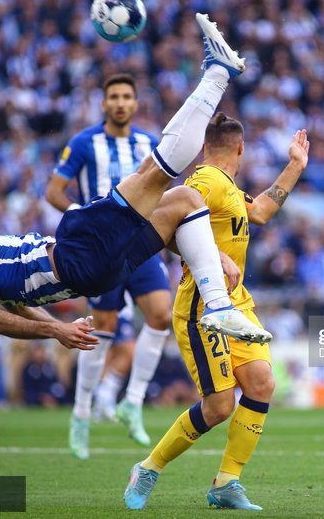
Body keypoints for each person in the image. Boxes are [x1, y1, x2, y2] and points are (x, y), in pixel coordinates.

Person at [0, 14, 270, 365]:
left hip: (95, 271)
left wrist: (58, 329)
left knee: (184, 200)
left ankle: (218, 306)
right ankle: (218, 74)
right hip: (78, 255)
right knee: (155, 171)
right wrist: (56, 330)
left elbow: (15, 306)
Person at [124, 114, 309, 510]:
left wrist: (295, 166)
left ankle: (227, 482)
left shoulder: (228, 188)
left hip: (236, 304)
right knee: (220, 406)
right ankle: (148, 468)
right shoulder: (206, 181)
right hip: (202, 309)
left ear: (206, 146)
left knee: (261, 383)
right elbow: (162, 221)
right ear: (240, 148)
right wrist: (215, 256)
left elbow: (261, 211)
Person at [45, 73, 172, 455]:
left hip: (141, 243)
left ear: (135, 103)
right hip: (101, 250)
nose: (120, 103)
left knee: (160, 315)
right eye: (113, 96)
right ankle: (81, 414)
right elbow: (53, 192)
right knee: (103, 328)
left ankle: (132, 402)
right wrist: (84, 219)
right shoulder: (84, 143)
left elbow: (163, 192)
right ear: (104, 104)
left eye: (126, 96)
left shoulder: (149, 144)